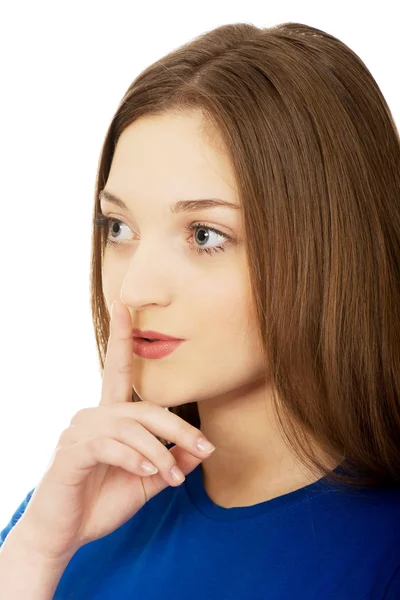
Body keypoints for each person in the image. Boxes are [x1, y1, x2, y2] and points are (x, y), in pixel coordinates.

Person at [1, 20, 400, 599]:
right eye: (119, 227)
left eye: (205, 235)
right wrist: (35, 552)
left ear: (332, 247)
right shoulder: (71, 518)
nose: (134, 289)